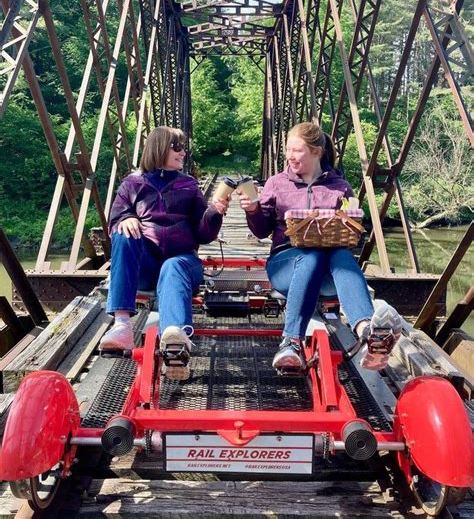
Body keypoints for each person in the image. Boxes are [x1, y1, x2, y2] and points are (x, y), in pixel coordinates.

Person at [237, 122, 401, 372]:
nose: (290, 156)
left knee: (342, 256)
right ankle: (291, 341)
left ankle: (367, 331)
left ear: (316, 151)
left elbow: (353, 232)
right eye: (288, 150)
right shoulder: (277, 183)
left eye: (297, 151)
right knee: (313, 255)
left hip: (328, 274)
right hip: (286, 265)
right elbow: (261, 230)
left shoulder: (339, 186)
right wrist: (253, 210)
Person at [100, 126, 229, 380]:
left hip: (182, 262)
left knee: (173, 267)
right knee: (125, 233)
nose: (183, 153)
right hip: (146, 265)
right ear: (159, 148)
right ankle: (122, 325)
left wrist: (214, 213)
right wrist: (125, 218)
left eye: (183, 147)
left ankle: (175, 341)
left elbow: (203, 234)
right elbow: (115, 219)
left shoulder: (189, 185)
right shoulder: (132, 184)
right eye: (177, 147)